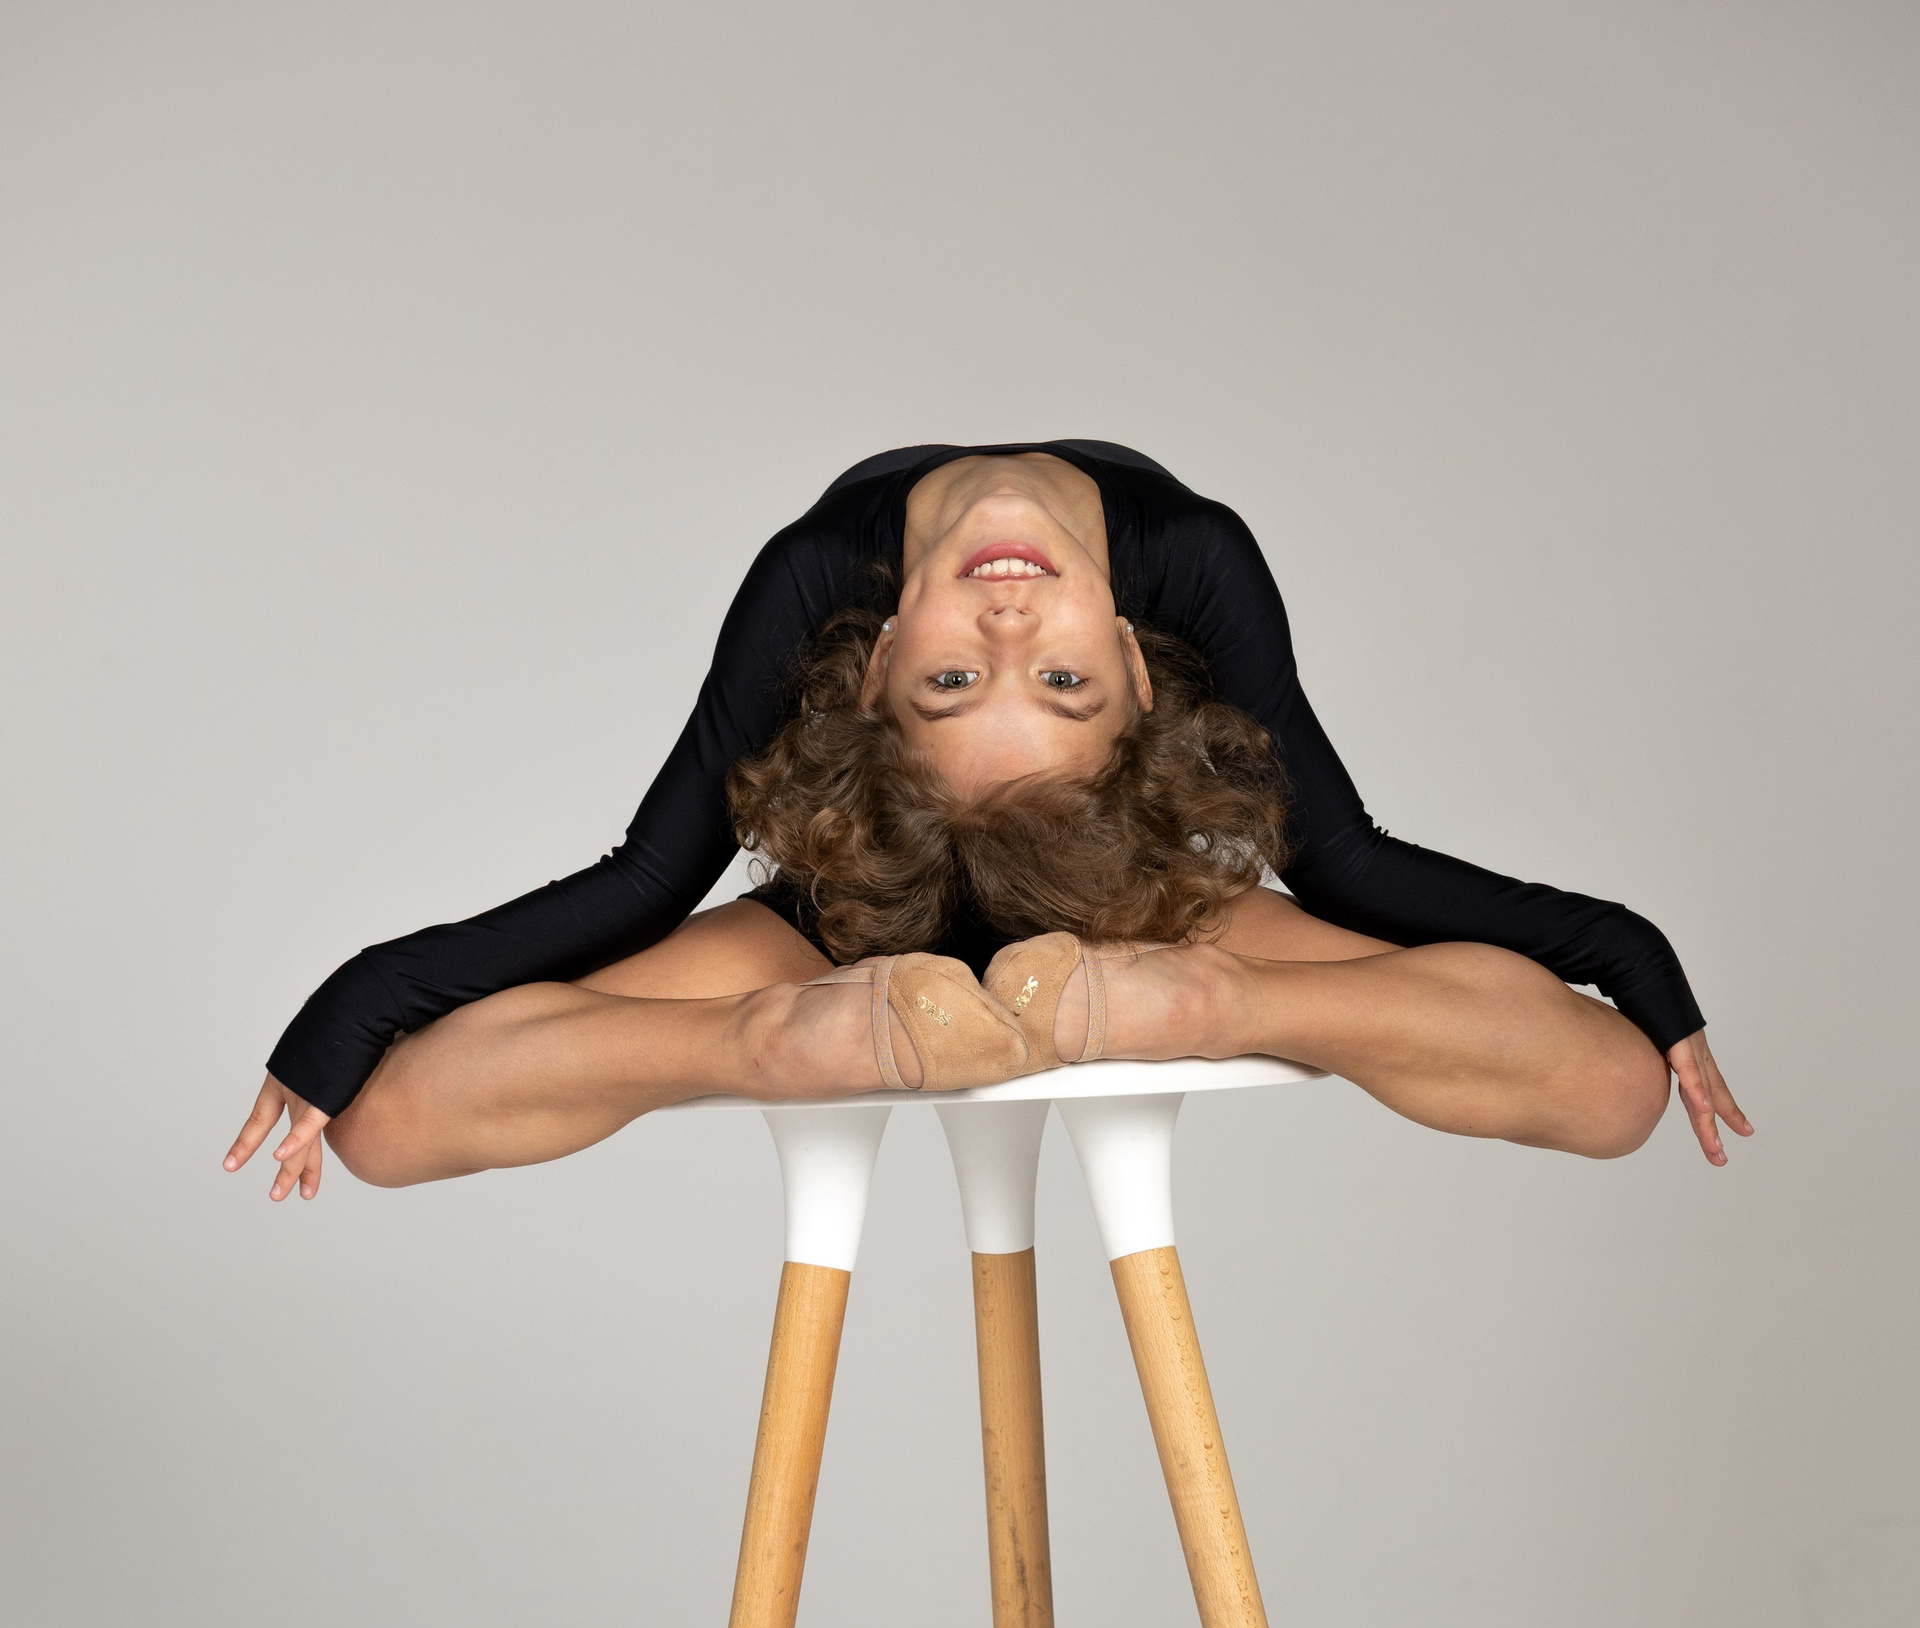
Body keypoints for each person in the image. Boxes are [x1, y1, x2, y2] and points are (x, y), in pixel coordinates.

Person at [225, 441, 1750, 1200]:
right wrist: (358, 1010)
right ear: (872, 665)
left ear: (1142, 671)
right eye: (958, 680)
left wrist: (1629, 960)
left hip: (1122, 904)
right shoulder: (832, 580)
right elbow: (644, 880)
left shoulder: (1184, 564)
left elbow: (1352, 866)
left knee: (1602, 1085)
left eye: (1059, 681)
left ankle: (1196, 1003)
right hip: (868, 912)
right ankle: (776, 1042)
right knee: (392, 1115)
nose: (1011, 625)